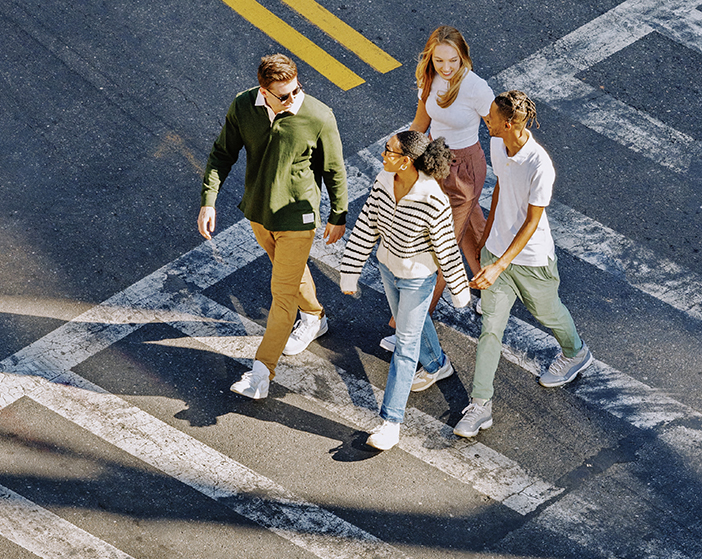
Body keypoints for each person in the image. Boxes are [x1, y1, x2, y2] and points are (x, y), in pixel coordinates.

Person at [198, 52, 347, 400]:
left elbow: (334, 170)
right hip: (259, 214)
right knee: (289, 273)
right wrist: (209, 200)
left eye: (296, 90)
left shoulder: (318, 116)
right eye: (284, 95)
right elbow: (222, 154)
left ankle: (261, 374)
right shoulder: (243, 107)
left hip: (299, 217)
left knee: (281, 296)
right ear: (263, 91)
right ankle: (315, 316)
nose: (293, 99)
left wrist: (338, 214)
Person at [454, 91, 592, 438]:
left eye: (491, 119)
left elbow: (532, 222)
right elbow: (501, 183)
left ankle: (575, 353)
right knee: (490, 330)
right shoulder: (500, 145)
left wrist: (500, 264)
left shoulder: (539, 164)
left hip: (531, 261)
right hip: (498, 254)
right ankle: (480, 405)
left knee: (548, 314)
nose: (486, 122)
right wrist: (487, 238)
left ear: (510, 122)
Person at [339, 130, 470, 451]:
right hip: (387, 267)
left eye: (389, 152)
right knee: (410, 322)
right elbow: (367, 225)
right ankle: (438, 364)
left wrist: (458, 289)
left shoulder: (432, 198)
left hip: (417, 277)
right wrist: (349, 273)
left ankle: (390, 422)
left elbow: (446, 248)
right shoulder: (384, 181)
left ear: (407, 161)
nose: (383, 156)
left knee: (406, 344)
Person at [377, 25, 490, 337]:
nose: (447, 67)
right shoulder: (430, 80)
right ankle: (491, 282)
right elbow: (420, 124)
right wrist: (399, 159)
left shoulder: (476, 88)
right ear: (431, 58)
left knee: (441, 244)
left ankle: (408, 326)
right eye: (440, 61)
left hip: (465, 169)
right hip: (434, 161)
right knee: (467, 227)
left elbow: (496, 128)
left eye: (453, 60)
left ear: (463, 56)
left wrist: (510, 172)